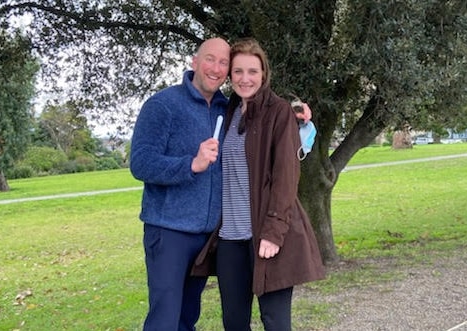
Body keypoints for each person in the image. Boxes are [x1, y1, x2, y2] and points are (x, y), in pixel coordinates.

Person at [130, 36, 313, 331]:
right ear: (195, 62)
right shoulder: (174, 106)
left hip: (234, 236)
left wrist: (297, 115)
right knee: (175, 319)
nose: (219, 69)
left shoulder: (233, 108)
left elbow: (280, 158)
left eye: (224, 63)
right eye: (212, 60)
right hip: (186, 233)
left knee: (195, 317)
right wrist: (190, 164)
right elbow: (140, 163)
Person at [193, 38, 325, 331]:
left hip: (267, 236)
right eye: (238, 72)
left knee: (275, 322)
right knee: (234, 323)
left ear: (263, 74)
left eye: (252, 71)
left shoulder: (278, 112)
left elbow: (286, 176)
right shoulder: (228, 111)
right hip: (230, 240)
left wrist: (274, 232)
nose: (245, 78)